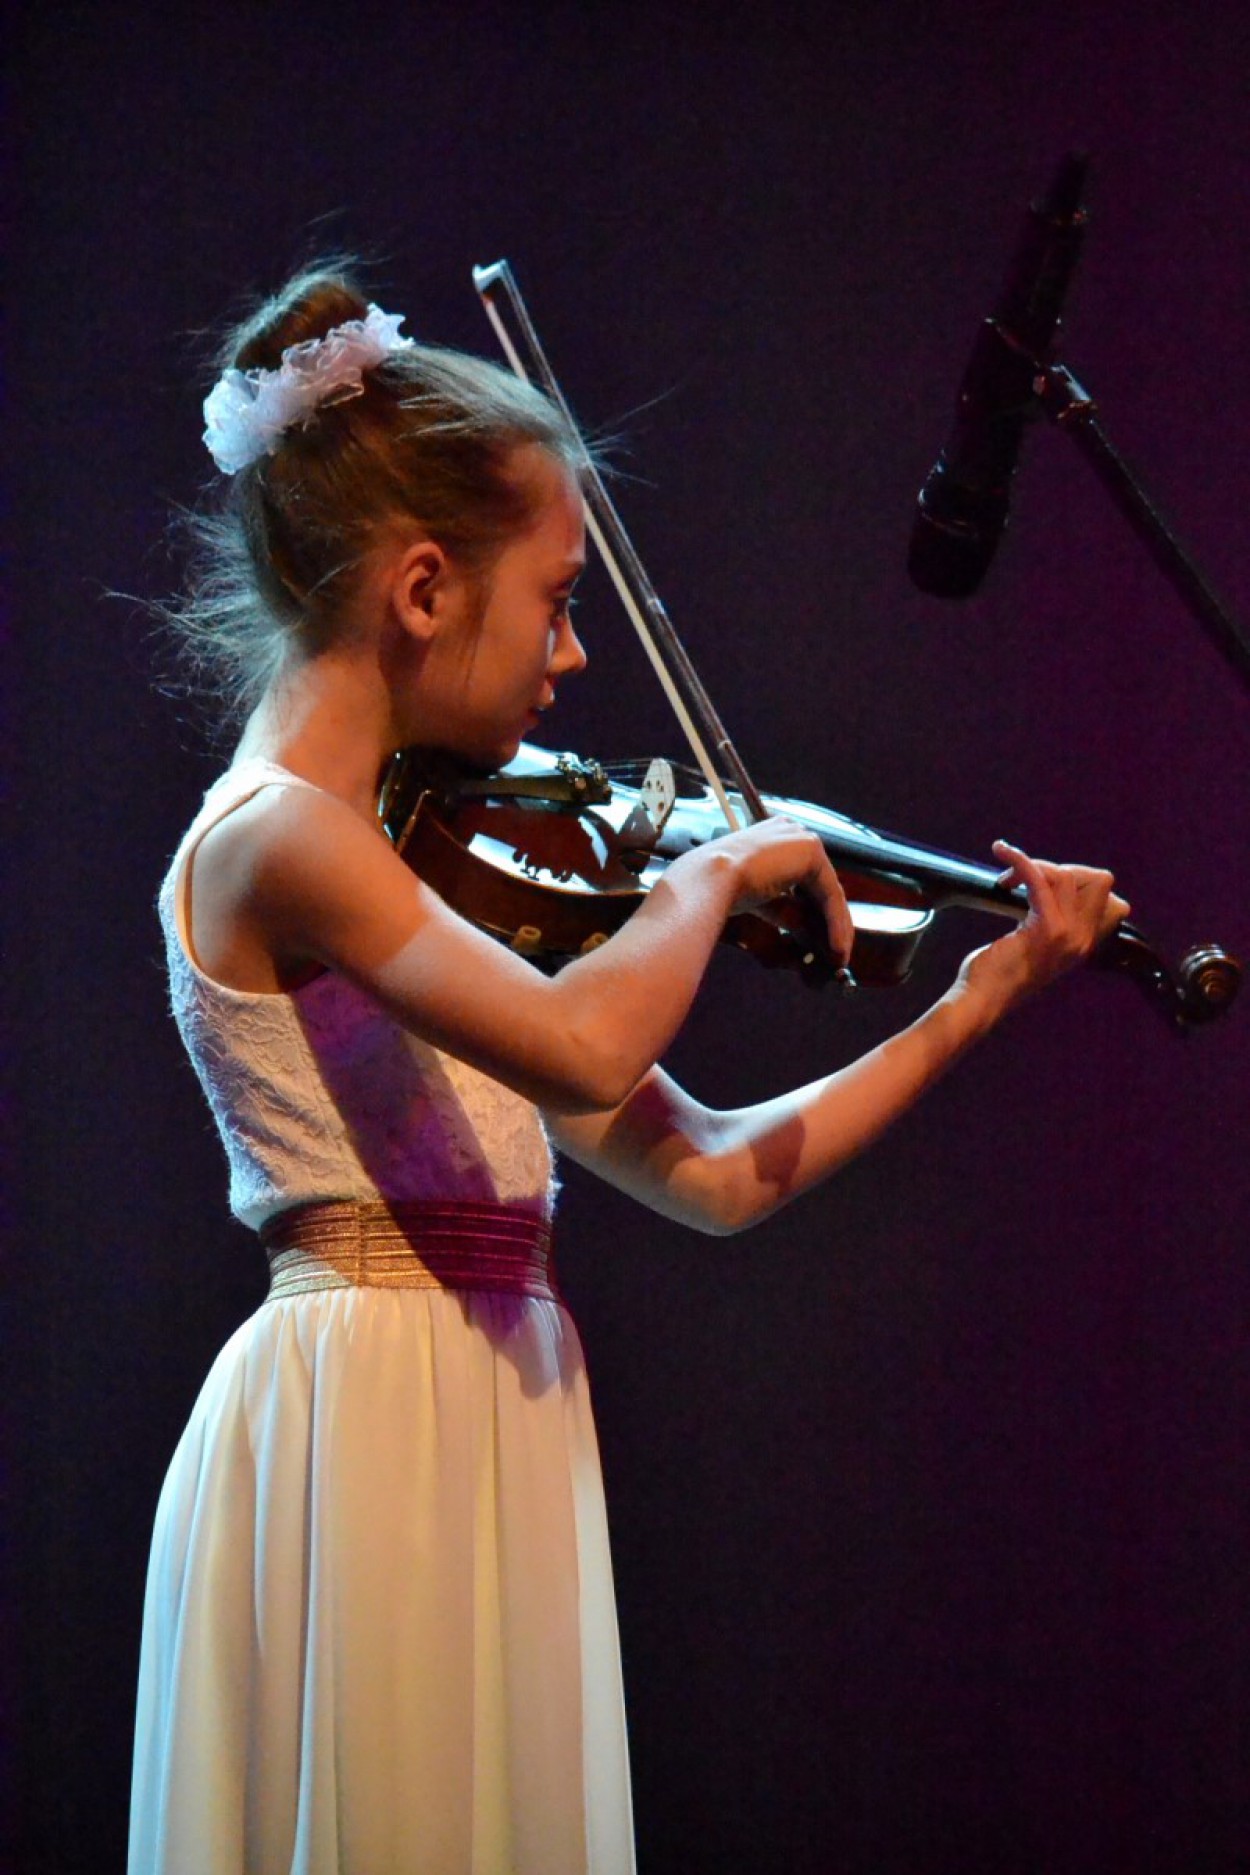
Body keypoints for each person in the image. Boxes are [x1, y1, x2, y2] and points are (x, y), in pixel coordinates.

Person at [129, 265, 1126, 1875]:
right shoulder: (280, 840)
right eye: (554, 599)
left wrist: (980, 994)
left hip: (490, 1397)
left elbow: (711, 1175)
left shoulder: (406, 866)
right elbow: (591, 1037)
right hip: (366, 1409)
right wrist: (707, 875)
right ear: (425, 590)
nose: (575, 656)